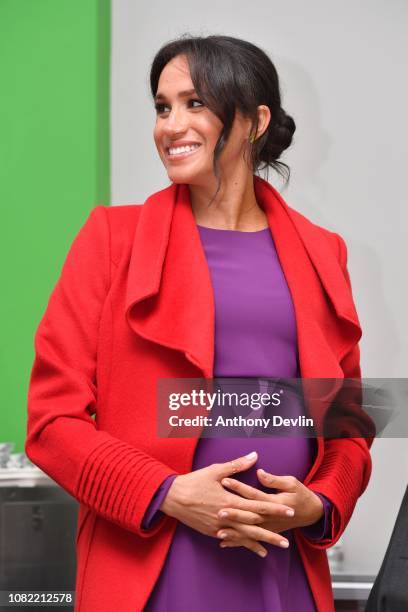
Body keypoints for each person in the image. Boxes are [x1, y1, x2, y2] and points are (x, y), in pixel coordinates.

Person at [25, 34, 373, 612]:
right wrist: (167, 493)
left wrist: (318, 501)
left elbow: (350, 419)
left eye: (194, 103)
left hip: (280, 562)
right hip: (154, 565)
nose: (170, 125)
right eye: (162, 107)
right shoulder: (112, 240)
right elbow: (51, 421)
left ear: (255, 120)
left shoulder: (322, 251)